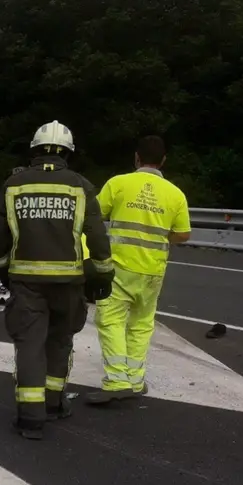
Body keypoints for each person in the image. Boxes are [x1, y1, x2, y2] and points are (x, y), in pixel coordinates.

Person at [0, 120, 115, 439]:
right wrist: (103, 270)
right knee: (60, 342)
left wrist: (3, 266)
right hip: (69, 282)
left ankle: (31, 419)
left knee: (31, 345)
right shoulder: (80, 185)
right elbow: (96, 232)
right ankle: (54, 404)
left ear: (34, 149)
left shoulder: (14, 184)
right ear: (67, 152)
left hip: (26, 281)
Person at [86, 136, 191, 404]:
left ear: (136, 158)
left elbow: (93, 217)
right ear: (164, 160)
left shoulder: (119, 183)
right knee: (142, 325)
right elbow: (183, 234)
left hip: (120, 267)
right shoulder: (175, 193)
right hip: (153, 271)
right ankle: (135, 380)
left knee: (110, 320)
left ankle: (117, 381)